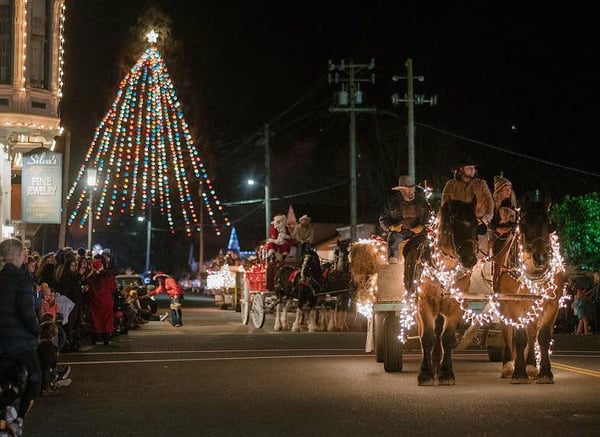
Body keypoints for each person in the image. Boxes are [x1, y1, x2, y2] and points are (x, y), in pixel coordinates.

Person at [0, 237, 42, 433]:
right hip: (22, 340)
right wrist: (37, 329)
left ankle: (5, 413)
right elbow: (27, 311)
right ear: (17, 255)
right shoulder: (22, 278)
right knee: (35, 379)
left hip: (3, 340)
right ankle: (19, 420)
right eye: (23, 253)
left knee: (8, 379)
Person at [379, 175, 432, 292]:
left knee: (427, 241)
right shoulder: (391, 202)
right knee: (393, 238)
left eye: (412, 189)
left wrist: (422, 227)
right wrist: (392, 227)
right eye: (407, 189)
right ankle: (393, 262)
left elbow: (429, 218)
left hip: (417, 233)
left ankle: (427, 265)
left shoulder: (421, 201)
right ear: (401, 190)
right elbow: (383, 219)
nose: (410, 191)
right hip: (400, 231)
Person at [441, 156, 494, 256]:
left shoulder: (481, 184)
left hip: (477, 222)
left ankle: (480, 262)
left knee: (482, 243)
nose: (472, 170)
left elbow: (489, 202)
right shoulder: (451, 184)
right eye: (469, 168)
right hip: (457, 224)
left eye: (473, 168)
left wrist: (486, 218)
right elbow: (445, 205)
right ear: (461, 170)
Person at [86, 256, 116, 345]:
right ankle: (106, 339)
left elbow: (89, 290)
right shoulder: (108, 276)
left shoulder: (91, 278)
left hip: (95, 302)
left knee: (95, 320)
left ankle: (95, 338)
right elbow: (113, 287)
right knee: (106, 320)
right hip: (107, 301)